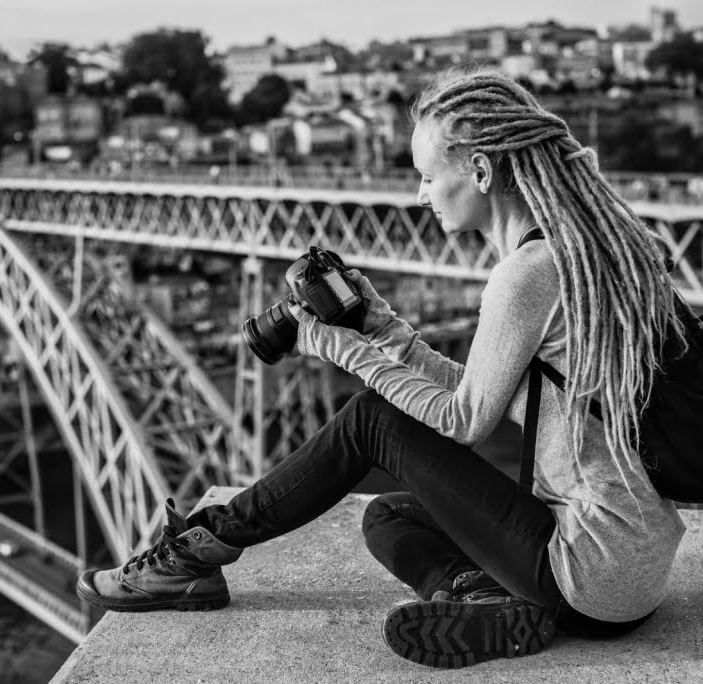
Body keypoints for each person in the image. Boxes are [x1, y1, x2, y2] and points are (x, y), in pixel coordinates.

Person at [76, 68, 687, 668]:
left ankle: (195, 552)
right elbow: (481, 395)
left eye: (426, 176)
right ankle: (490, 600)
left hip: (587, 574)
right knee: (387, 517)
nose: (419, 194)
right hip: (634, 565)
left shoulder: (525, 276)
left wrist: (339, 348)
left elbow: (465, 420)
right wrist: (382, 328)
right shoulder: (586, 253)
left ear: (479, 169)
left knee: (373, 418)